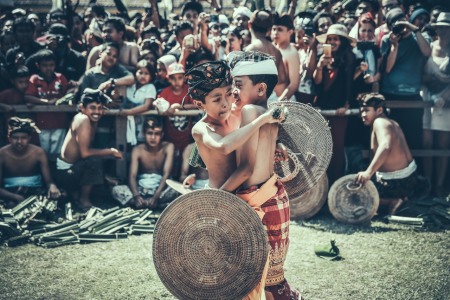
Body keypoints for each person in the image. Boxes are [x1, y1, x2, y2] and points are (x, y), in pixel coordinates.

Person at [226, 51, 300, 300]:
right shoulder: (268, 112)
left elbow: (246, 168)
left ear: (260, 88)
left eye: (238, 85)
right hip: (273, 200)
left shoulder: (249, 112)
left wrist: (217, 196)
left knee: (258, 283)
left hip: (260, 201)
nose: (233, 92)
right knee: (271, 282)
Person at [55, 89, 123, 210]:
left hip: (72, 168)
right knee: (95, 160)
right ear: (82, 107)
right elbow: (85, 153)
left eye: (100, 108)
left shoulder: (90, 118)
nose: (97, 112)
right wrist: (111, 151)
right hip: (65, 173)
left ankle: (76, 195)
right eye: (93, 108)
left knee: (95, 158)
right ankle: (84, 200)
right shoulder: (83, 119)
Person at [355, 93, 417, 215]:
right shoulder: (391, 122)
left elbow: (385, 146)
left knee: (356, 196)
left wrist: (368, 173)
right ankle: (398, 200)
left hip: (396, 182)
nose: (362, 115)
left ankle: (391, 202)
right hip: (407, 180)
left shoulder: (380, 122)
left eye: (366, 110)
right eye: (361, 111)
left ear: (379, 110)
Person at [379, 7, 431, 150]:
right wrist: (394, 45)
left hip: (412, 95)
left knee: (413, 139)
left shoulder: (421, 37)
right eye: (396, 24)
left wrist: (413, 29)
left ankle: (414, 171)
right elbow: (387, 69)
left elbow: (427, 52)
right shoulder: (387, 40)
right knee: (392, 138)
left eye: (402, 21)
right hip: (390, 94)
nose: (401, 26)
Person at [313, 23, 356, 184]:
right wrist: (319, 66)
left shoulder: (349, 58)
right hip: (322, 108)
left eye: (335, 39)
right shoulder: (322, 58)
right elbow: (317, 84)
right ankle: (321, 186)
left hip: (339, 110)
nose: (332, 42)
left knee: (336, 148)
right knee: (322, 148)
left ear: (342, 41)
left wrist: (346, 104)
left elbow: (350, 84)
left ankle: (335, 183)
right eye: (329, 38)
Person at [0, 117, 61, 208]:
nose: (19, 142)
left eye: (23, 138)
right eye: (15, 138)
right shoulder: (2, 153)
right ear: (9, 138)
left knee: (60, 196)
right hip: (9, 191)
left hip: (35, 190)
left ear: (29, 138)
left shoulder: (38, 152)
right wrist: (15, 196)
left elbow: (49, 181)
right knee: (10, 205)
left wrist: (52, 187)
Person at [421, 12, 450, 196]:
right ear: (436, 29)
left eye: (447, 28)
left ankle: (439, 185)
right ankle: (428, 183)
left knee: (442, 145)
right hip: (427, 100)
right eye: (441, 27)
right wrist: (432, 80)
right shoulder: (428, 48)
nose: (444, 31)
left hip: (446, 103)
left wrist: (445, 95)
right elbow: (420, 75)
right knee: (427, 143)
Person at [24, 49, 70, 158]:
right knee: (43, 151)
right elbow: (27, 96)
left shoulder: (60, 78)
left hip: (59, 122)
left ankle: (55, 173)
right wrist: (45, 102)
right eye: (44, 65)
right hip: (41, 123)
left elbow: (68, 93)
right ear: (37, 65)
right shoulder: (34, 79)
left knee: (57, 151)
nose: (48, 68)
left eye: (51, 65)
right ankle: (44, 171)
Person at [126, 117, 175, 208]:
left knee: (177, 191)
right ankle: (144, 202)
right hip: (141, 189)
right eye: (150, 133)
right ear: (144, 134)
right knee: (117, 190)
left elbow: (167, 174)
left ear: (162, 135)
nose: (153, 137)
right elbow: (132, 176)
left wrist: (156, 196)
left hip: (161, 190)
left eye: (157, 134)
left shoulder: (168, 147)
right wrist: (136, 196)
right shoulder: (137, 150)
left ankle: (152, 203)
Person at [246, 10, 288, 101]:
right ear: (269, 29)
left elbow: (244, 82)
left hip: (253, 100)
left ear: (249, 25)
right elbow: (282, 81)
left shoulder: (250, 50)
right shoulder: (276, 51)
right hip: (271, 98)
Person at [119, 59, 157, 144]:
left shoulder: (150, 88)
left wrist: (129, 112)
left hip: (141, 123)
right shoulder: (129, 86)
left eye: (146, 73)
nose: (143, 76)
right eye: (140, 73)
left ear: (151, 76)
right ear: (135, 74)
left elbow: (146, 106)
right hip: (125, 123)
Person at [272, 14, 300, 101]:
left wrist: (280, 102)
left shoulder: (291, 52)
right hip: (270, 98)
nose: (276, 33)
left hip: (285, 101)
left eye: (280, 30)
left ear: (290, 32)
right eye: (274, 29)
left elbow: (294, 84)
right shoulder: (271, 48)